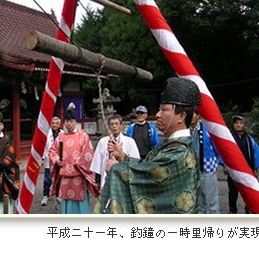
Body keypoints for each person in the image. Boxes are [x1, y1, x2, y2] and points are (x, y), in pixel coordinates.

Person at [94, 77, 201, 214]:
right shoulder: (176, 144)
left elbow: (149, 175)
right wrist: (123, 157)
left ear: (181, 116)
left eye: (164, 110)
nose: (157, 115)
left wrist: (117, 168)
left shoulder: (179, 152)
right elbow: (148, 167)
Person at [49, 104, 99, 214]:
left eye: (71, 121)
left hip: (78, 174)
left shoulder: (83, 135)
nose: (69, 123)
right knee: (66, 200)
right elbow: (52, 150)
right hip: (65, 175)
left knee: (80, 200)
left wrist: (78, 163)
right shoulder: (60, 137)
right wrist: (57, 161)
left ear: (75, 122)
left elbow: (88, 154)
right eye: (67, 121)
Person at [221, 115, 259, 214]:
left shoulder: (249, 139)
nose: (238, 125)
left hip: (247, 171)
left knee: (248, 193)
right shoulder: (229, 138)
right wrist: (224, 165)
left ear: (245, 126)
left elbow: (256, 153)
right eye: (236, 123)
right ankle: (232, 211)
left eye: (241, 123)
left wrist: (255, 169)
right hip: (233, 170)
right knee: (233, 193)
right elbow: (223, 151)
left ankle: (248, 210)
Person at [90, 114, 140, 189]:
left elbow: (135, 161)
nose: (114, 126)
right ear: (109, 127)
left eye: (116, 124)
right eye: (112, 124)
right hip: (106, 177)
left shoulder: (130, 142)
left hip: (124, 178)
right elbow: (98, 161)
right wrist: (98, 180)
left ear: (121, 126)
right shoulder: (103, 141)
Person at [190, 109, 220, 214]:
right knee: (199, 201)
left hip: (207, 169)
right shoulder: (187, 131)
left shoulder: (207, 131)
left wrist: (220, 163)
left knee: (211, 200)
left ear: (198, 116)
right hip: (193, 170)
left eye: (193, 114)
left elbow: (218, 149)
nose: (191, 116)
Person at [41, 116, 61, 206]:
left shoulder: (63, 133)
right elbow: (43, 146)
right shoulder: (47, 133)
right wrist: (42, 158)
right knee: (47, 179)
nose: (54, 125)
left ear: (59, 124)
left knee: (59, 178)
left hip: (59, 160)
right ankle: (45, 195)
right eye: (53, 123)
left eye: (56, 123)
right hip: (49, 159)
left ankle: (58, 195)